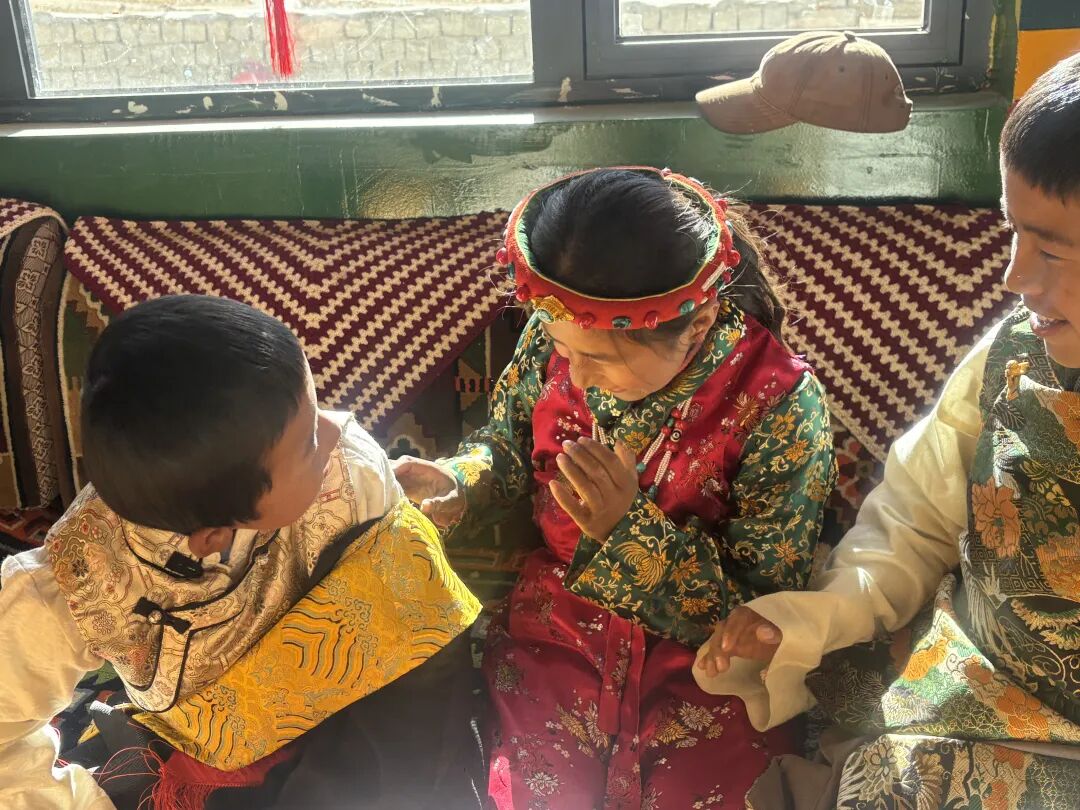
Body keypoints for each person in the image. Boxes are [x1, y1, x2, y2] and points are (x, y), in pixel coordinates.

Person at [696, 53, 1080, 809]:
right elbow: (912, 525)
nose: (1014, 277)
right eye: (1013, 233)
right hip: (966, 716)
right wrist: (813, 620)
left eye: (1054, 250)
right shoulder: (1009, 356)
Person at [394, 167, 837, 808]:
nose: (575, 375)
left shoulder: (779, 403)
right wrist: (458, 481)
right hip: (555, 642)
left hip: (707, 672)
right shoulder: (557, 339)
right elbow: (508, 448)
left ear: (697, 322)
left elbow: (764, 605)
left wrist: (624, 531)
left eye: (600, 359)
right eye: (562, 349)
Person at [0, 295, 482, 810]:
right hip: (225, 757)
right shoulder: (76, 582)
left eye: (316, 406)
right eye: (306, 443)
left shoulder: (351, 470)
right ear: (213, 535)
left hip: (368, 717)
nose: (338, 426)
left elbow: (419, 640)